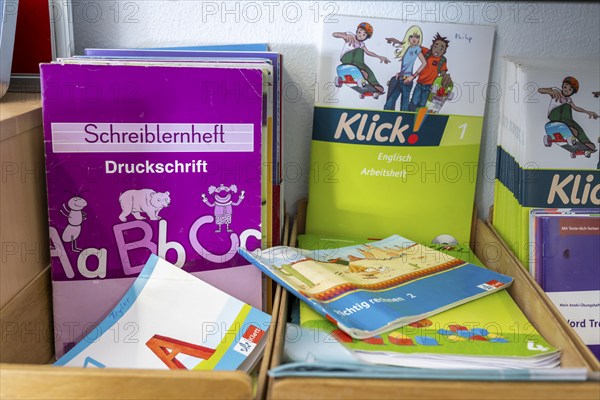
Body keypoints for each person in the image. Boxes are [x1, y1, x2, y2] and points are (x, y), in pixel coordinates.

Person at [538, 76, 599, 150]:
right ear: (562, 86)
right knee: (567, 106)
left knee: (575, 123)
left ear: (572, 92)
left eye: (570, 89)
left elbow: (576, 108)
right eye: (565, 87)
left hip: (565, 120)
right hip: (554, 116)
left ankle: (585, 141)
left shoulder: (568, 99)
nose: (566, 90)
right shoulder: (557, 91)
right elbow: (540, 90)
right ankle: (570, 128)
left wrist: (587, 112)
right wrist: (550, 92)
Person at [333, 22, 390, 94]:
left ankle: (375, 84)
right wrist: (345, 36)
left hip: (357, 63)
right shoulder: (350, 35)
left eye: (364, 34)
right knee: (360, 51)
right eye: (359, 32)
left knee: (366, 68)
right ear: (356, 31)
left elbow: (368, 52)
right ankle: (361, 70)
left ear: (366, 37)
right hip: (346, 58)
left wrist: (379, 57)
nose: (360, 35)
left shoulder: (362, 44)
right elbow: (334, 34)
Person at [384, 25, 426, 111]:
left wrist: (413, 76)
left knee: (404, 106)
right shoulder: (408, 48)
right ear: (409, 37)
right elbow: (406, 63)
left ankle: (404, 122)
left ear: (419, 39)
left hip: (408, 80)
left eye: (417, 37)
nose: (414, 39)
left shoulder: (417, 48)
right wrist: (400, 73)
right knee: (389, 103)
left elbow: (424, 63)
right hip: (400, 78)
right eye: (412, 36)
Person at [408, 33, 450, 111]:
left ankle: (418, 119)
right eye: (435, 46)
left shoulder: (442, 60)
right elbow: (416, 45)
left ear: (444, 51)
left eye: (441, 49)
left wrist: (445, 77)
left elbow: (443, 72)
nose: (437, 50)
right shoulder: (427, 52)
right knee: (414, 101)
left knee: (423, 104)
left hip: (429, 87)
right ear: (432, 46)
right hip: (419, 84)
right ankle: (409, 116)